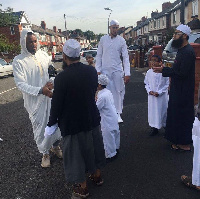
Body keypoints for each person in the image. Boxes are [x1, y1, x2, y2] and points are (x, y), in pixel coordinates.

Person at [46, 39, 106, 198]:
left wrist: (51, 123)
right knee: (94, 149)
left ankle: (82, 187)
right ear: (80, 54)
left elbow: (57, 104)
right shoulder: (92, 71)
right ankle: (97, 176)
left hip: (72, 123)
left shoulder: (62, 78)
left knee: (76, 155)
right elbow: (90, 91)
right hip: (91, 118)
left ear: (64, 56)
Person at [12, 29, 62, 168]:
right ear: (24, 43)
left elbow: (52, 72)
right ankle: (45, 153)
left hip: (50, 97)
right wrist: (40, 90)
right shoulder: (19, 61)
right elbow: (21, 84)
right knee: (40, 128)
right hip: (35, 101)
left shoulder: (43, 55)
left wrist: (51, 82)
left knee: (54, 123)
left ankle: (56, 146)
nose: (34, 44)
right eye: (30, 42)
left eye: (35, 41)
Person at [153, 24, 195, 151]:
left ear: (185, 36)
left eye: (177, 34)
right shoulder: (182, 50)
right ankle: (177, 140)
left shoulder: (188, 52)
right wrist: (164, 69)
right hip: (178, 88)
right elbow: (177, 70)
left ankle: (185, 144)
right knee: (176, 115)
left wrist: (164, 71)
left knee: (183, 116)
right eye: (174, 33)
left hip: (184, 91)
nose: (174, 36)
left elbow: (182, 73)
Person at [95, 19, 130, 123]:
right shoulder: (103, 39)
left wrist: (127, 73)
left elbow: (125, 57)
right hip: (105, 70)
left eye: (117, 28)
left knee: (119, 91)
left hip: (117, 70)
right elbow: (99, 55)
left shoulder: (121, 40)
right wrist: (98, 69)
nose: (115, 30)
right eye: (113, 27)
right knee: (105, 91)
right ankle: (107, 112)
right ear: (110, 28)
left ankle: (118, 113)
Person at [96, 74, 120, 159]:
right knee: (115, 133)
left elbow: (97, 108)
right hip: (113, 116)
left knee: (107, 137)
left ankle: (110, 155)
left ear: (99, 85)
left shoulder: (102, 96)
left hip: (106, 118)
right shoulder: (108, 92)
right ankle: (116, 148)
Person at [144, 55, 169, 136]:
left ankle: (166, 128)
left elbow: (166, 84)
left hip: (161, 97)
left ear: (160, 62)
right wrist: (149, 91)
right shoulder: (149, 72)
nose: (153, 63)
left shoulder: (164, 73)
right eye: (152, 60)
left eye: (155, 61)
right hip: (152, 97)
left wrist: (160, 92)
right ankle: (154, 128)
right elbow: (146, 83)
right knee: (153, 112)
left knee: (163, 112)